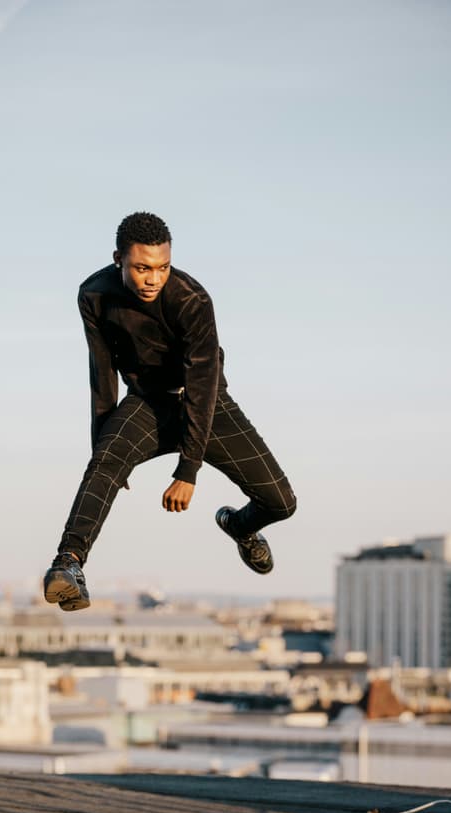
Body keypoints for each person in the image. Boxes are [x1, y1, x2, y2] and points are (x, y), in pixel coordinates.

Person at [43, 211, 297, 611]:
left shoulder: (191, 300)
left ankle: (239, 527)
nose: (153, 279)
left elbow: (202, 382)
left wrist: (188, 470)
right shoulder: (94, 295)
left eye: (162, 268)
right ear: (118, 259)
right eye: (142, 268)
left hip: (206, 401)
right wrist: (102, 441)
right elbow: (102, 368)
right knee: (105, 460)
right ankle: (68, 563)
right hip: (147, 403)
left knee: (281, 503)